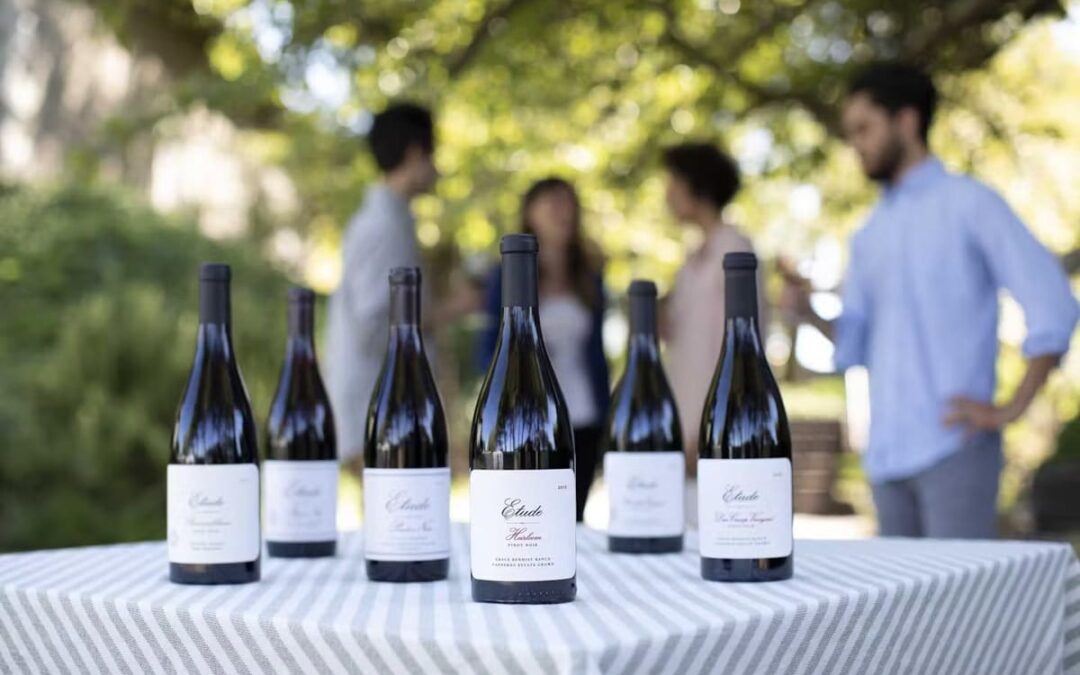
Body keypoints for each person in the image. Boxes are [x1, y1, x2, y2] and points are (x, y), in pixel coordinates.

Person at [781, 63, 1078, 538]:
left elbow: (1052, 304)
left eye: (864, 128)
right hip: (884, 459)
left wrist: (1010, 409)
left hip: (955, 450)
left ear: (907, 121)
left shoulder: (971, 204)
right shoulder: (868, 233)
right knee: (903, 612)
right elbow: (855, 342)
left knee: (962, 611)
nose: (855, 143)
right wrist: (806, 313)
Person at [477, 178, 610, 522]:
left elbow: (597, 353)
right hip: (526, 414)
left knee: (572, 514)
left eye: (569, 204)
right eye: (552, 203)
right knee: (526, 513)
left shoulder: (589, 276)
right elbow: (491, 345)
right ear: (529, 213)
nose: (563, 212)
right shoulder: (505, 276)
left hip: (583, 412)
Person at [326, 103, 438, 467]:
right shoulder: (383, 227)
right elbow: (378, 320)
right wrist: (453, 308)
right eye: (434, 154)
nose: (437, 167)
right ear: (415, 152)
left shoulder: (392, 221)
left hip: (384, 402)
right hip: (379, 403)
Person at [660, 143, 767, 478]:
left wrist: (708, 426)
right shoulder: (690, 260)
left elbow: (739, 343)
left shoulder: (734, 250)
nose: (667, 194)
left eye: (674, 181)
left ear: (697, 185)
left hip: (717, 420)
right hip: (686, 415)